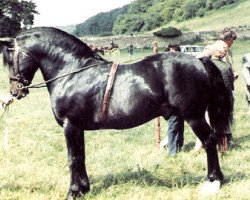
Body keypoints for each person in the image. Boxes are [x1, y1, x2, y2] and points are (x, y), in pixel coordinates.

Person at [194, 28, 237, 151]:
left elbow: (228, 65)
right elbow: (199, 61)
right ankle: (206, 141)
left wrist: (232, 72)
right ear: (226, 39)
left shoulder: (229, 51)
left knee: (227, 111)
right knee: (212, 114)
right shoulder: (211, 48)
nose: (232, 43)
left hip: (227, 85)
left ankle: (226, 139)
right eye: (231, 40)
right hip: (215, 88)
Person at [159, 44, 184, 156]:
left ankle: (178, 145)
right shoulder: (165, 69)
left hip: (182, 100)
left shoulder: (181, 66)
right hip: (171, 102)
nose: (173, 52)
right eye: (171, 50)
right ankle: (172, 151)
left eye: (175, 50)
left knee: (180, 125)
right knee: (173, 125)